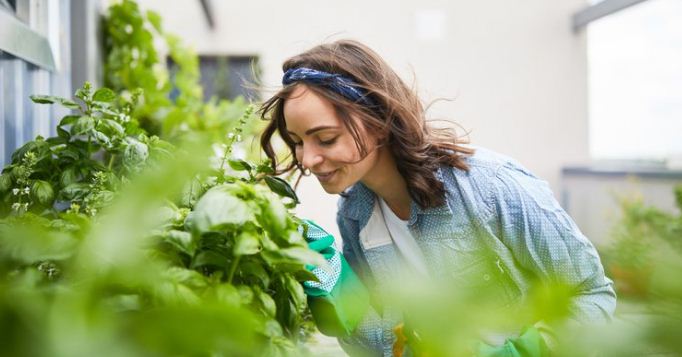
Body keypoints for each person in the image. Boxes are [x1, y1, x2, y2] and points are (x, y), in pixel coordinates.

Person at [258, 39, 616, 357]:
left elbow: (592, 295)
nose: (307, 159)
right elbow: (387, 347)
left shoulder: (490, 187)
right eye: (299, 141)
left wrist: (528, 350)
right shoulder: (354, 215)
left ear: (377, 120)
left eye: (326, 138)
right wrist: (348, 305)